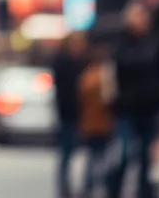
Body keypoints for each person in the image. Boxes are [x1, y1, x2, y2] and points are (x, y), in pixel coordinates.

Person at [107, 0, 159, 198]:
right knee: (124, 153)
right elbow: (112, 77)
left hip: (149, 108)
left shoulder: (155, 42)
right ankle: (113, 189)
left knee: (146, 158)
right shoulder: (120, 44)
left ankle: (143, 191)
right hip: (126, 110)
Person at [52, 31, 88, 198]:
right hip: (67, 114)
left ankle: (84, 187)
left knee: (86, 153)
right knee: (66, 153)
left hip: (85, 115)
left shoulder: (84, 62)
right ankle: (64, 187)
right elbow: (61, 93)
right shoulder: (62, 63)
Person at [77, 45, 114, 197]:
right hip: (100, 122)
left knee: (94, 157)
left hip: (92, 122)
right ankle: (97, 185)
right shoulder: (101, 76)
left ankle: (91, 185)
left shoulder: (87, 75)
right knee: (100, 157)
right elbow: (109, 98)